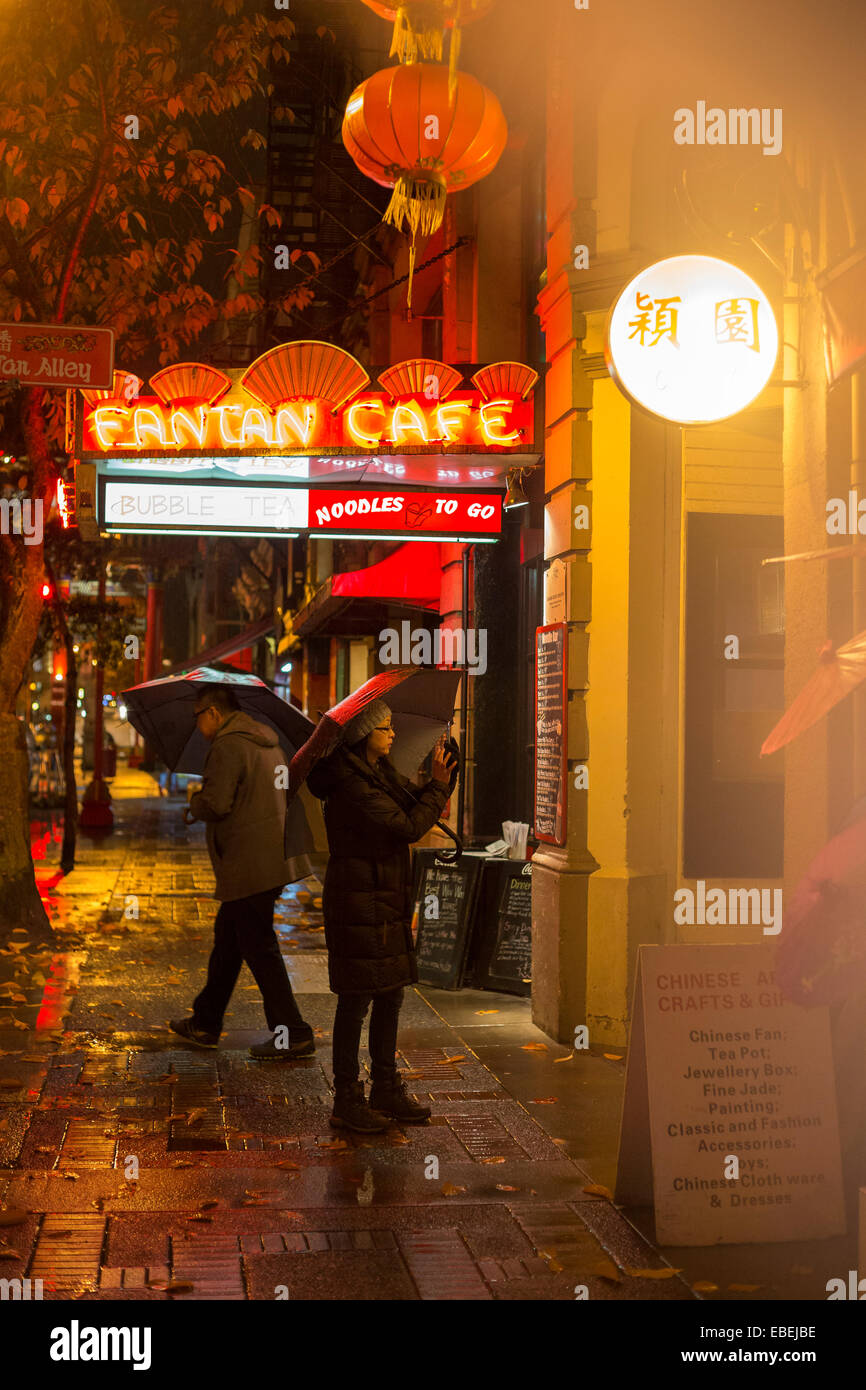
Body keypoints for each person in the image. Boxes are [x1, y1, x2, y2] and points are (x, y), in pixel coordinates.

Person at [307, 698, 458, 1132]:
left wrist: (434, 782)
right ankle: (347, 1098)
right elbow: (406, 827)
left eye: (392, 727)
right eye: (384, 729)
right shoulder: (350, 784)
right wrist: (438, 786)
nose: (393, 735)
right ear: (362, 737)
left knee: (391, 993)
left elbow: (408, 811)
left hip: (384, 897)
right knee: (356, 1000)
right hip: (359, 901)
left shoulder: (379, 773)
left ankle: (385, 1088)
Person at [169, 685, 314, 1060]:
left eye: (198, 715)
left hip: (250, 864)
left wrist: (195, 802)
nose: (197, 723)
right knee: (229, 942)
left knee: (259, 948)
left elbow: (217, 802)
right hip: (268, 859)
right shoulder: (267, 742)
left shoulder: (229, 745)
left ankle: (292, 1032)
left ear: (214, 712)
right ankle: (206, 1021)